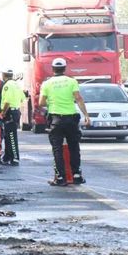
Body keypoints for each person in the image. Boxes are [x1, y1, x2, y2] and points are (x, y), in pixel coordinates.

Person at [39, 58, 91, 186]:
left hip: (56, 119)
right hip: (71, 119)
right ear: (65, 68)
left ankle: (60, 178)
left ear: (52, 69)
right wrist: (86, 115)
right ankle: (76, 175)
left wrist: (51, 102)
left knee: (57, 149)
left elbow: (41, 103)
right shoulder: (72, 81)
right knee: (74, 147)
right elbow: (78, 98)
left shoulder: (47, 84)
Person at [0, 69, 26, 166]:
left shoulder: (7, 85)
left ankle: (15, 158)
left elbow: (7, 101)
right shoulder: (16, 84)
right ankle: (7, 156)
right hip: (15, 111)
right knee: (8, 135)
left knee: (11, 136)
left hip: (9, 111)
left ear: (4, 75)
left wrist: (3, 112)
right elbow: (23, 98)